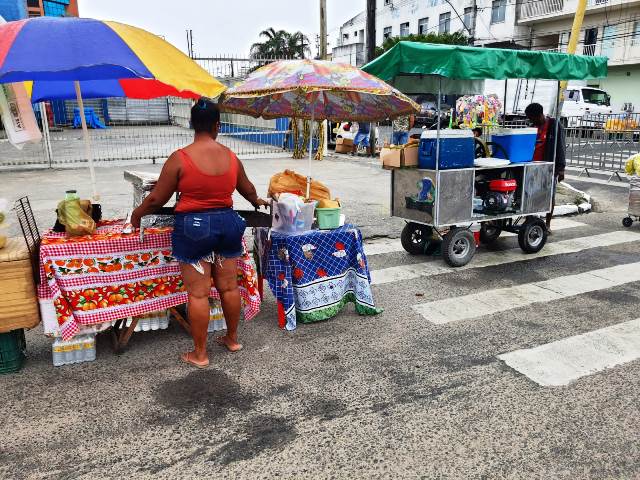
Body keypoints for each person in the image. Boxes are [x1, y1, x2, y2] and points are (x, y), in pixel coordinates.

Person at [131, 99, 268, 368]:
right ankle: (232, 339)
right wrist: (258, 202)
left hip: (193, 229)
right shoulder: (231, 156)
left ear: (192, 124)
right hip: (228, 225)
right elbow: (248, 190)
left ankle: (200, 354)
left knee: (198, 294)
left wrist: (137, 215)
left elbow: (157, 198)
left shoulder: (180, 158)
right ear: (218, 125)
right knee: (229, 286)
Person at [525, 102, 566, 233]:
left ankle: (547, 224)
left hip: (548, 167)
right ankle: (529, 220)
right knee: (529, 195)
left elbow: (560, 146)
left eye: (532, 118)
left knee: (549, 196)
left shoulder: (554, 125)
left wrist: (561, 169)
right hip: (532, 166)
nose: (531, 121)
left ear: (539, 115)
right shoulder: (532, 127)